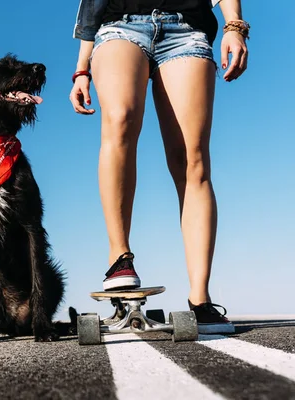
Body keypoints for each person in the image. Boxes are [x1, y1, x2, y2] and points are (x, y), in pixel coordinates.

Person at [69, 0, 249, 334]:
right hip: (120, 26)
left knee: (191, 159)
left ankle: (200, 300)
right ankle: (120, 258)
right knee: (120, 118)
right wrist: (81, 70)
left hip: (187, 29)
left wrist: (234, 26)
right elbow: (92, 6)